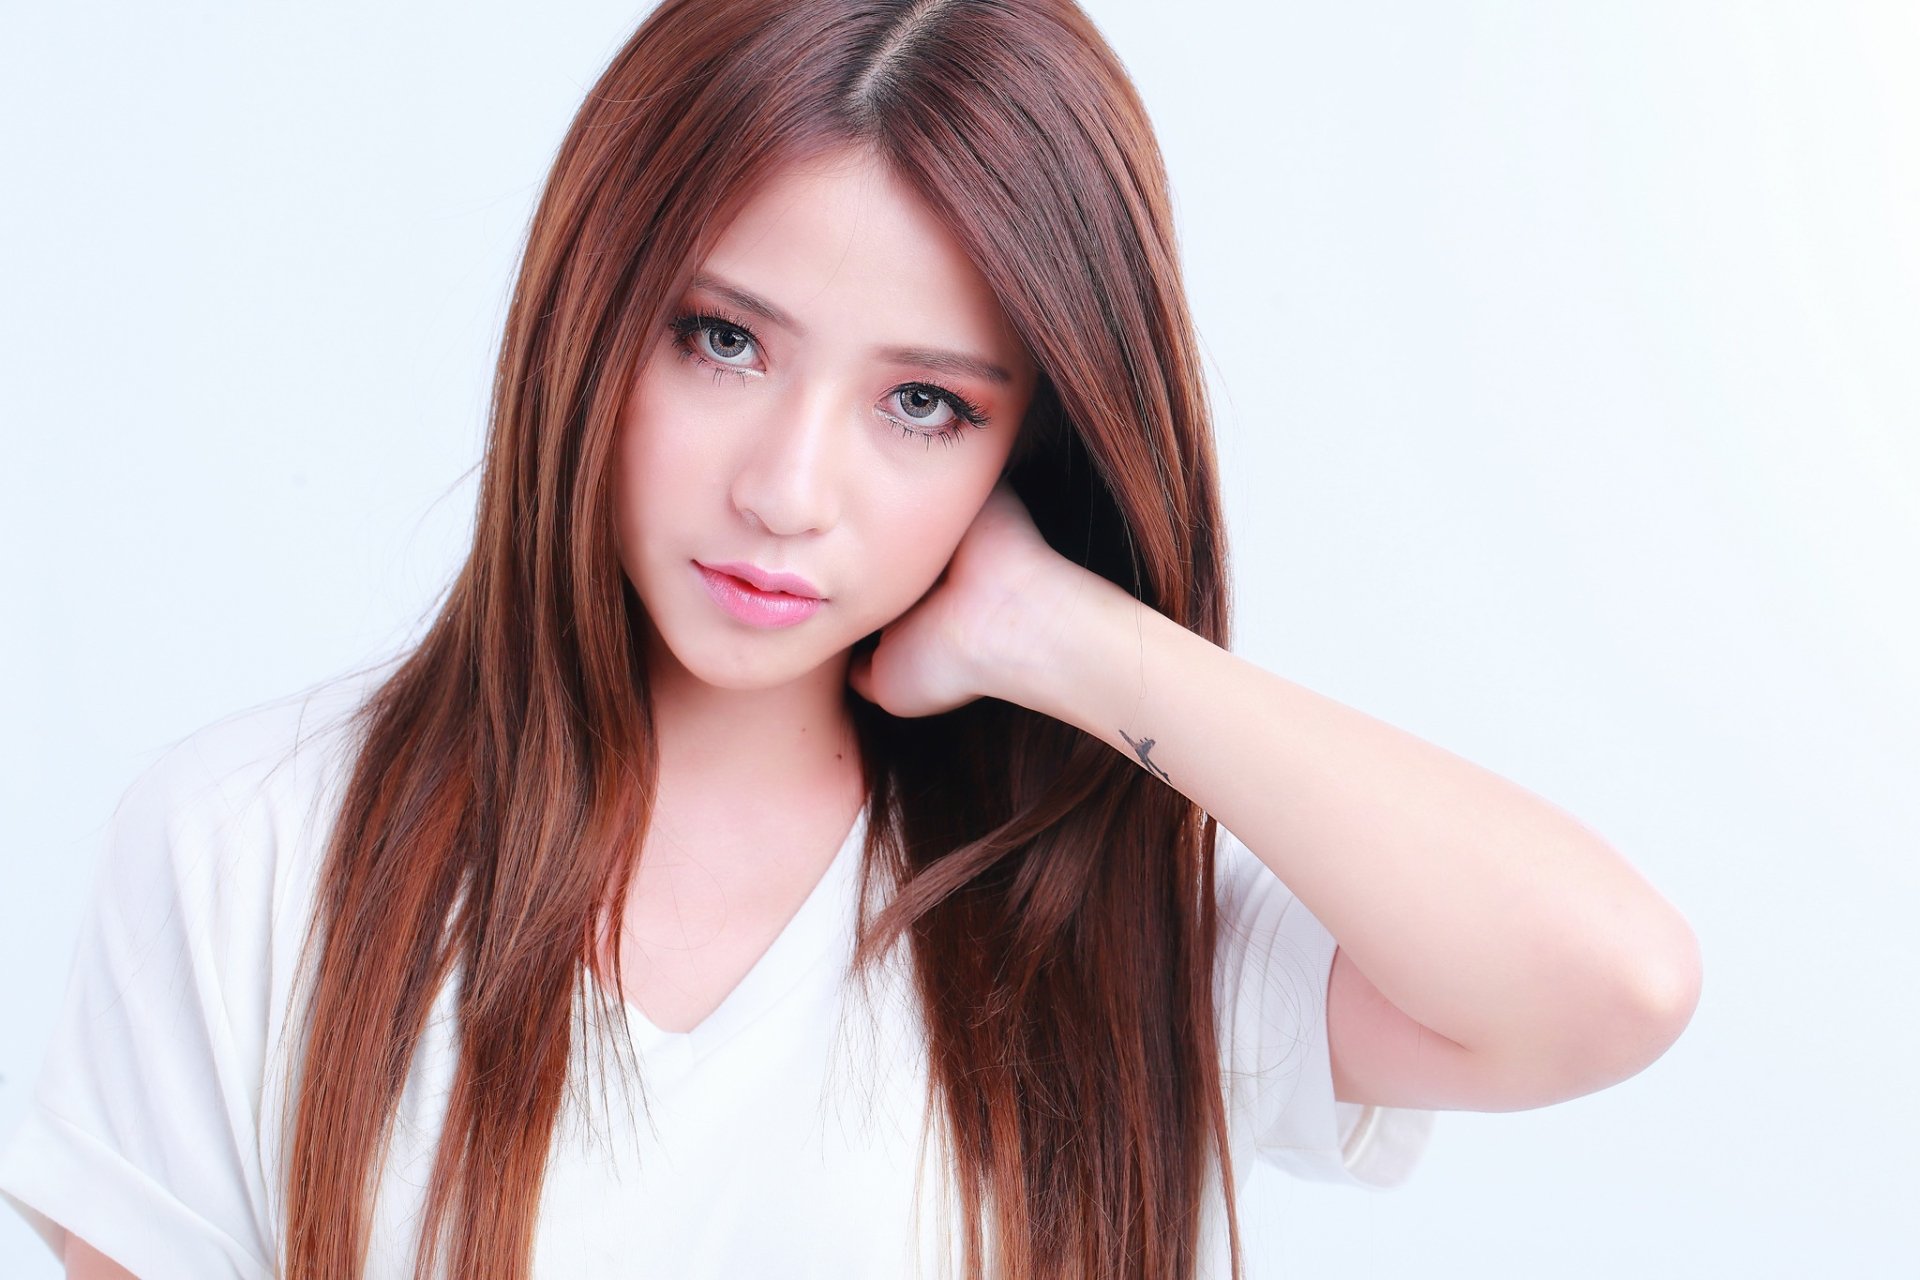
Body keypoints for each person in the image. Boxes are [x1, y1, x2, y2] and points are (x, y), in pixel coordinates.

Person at [0, 1, 1702, 1277]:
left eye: (923, 403)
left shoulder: (1109, 916)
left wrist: (1070, 636)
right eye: (723, 339)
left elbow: (1611, 987)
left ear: (1029, 445)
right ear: (589, 310)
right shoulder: (251, 851)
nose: (787, 490)